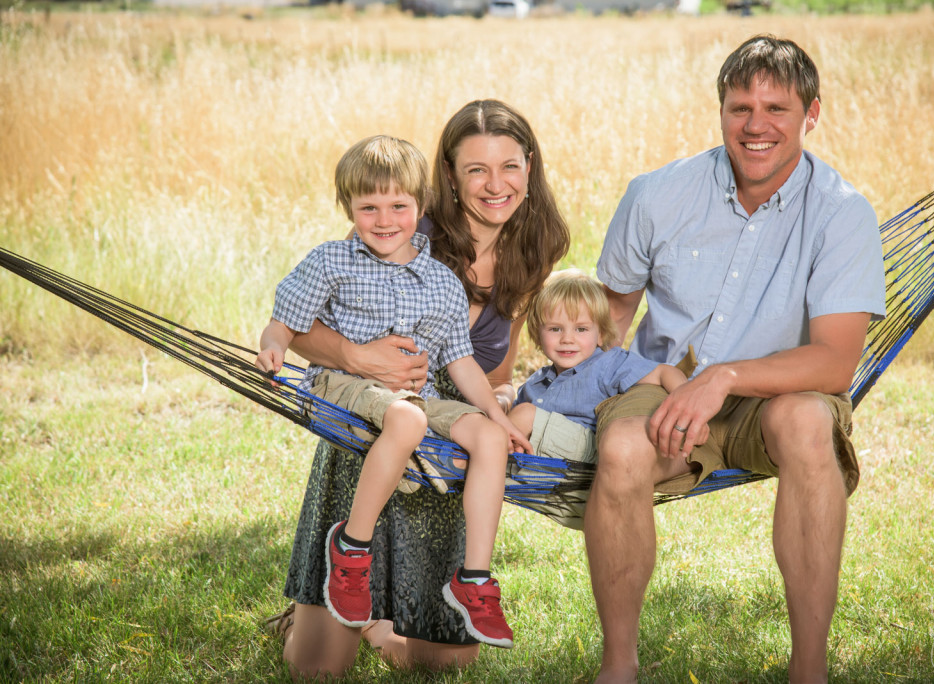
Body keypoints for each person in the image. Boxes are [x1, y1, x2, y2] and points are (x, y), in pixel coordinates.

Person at [586, 35, 886, 683]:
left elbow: (835, 365)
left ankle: (809, 669)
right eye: (739, 106)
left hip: (775, 397)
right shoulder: (655, 195)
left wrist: (722, 379)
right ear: (720, 110)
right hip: (663, 386)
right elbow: (604, 326)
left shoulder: (842, 214)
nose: (755, 125)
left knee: (807, 422)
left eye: (776, 108)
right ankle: (619, 666)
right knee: (621, 449)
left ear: (812, 114)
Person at [265, 101, 570, 678]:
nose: (495, 184)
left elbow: (491, 365)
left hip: (445, 428)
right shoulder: (403, 225)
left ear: (529, 168)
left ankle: (383, 621)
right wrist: (358, 356)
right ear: (448, 177)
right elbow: (305, 323)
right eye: (475, 169)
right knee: (318, 669)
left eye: (509, 166)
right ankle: (317, 604)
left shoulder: (536, 242)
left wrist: (498, 405)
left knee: (448, 661)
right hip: (373, 422)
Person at [506, 270, 688, 530]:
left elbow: (664, 372)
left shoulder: (607, 363)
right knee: (507, 419)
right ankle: (482, 461)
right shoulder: (536, 384)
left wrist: (686, 413)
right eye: (555, 329)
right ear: (537, 334)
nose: (567, 338)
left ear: (601, 334)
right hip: (549, 469)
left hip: (592, 459)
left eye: (581, 329)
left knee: (522, 415)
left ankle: (473, 462)